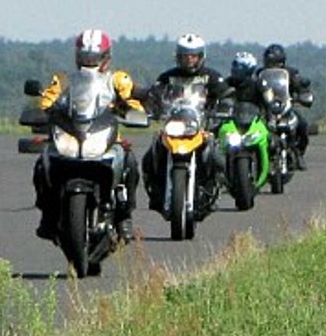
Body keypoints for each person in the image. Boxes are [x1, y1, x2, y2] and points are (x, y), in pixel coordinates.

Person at [32, 28, 144, 240]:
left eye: (94, 58)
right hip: (72, 133)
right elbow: (47, 101)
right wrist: (48, 111)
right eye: (85, 57)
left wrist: (128, 108)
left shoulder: (117, 79)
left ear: (106, 58)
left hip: (106, 137)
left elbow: (134, 103)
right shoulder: (64, 79)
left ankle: (124, 216)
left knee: (129, 161)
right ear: (77, 57)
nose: (89, 62)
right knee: (42, 164)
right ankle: (47, 215)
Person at [139, 32, 230, 210]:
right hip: (173, 126)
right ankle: (156, 193)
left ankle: (213, 190)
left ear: (201, 57)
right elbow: (154, 96)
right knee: (150, 157)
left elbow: (226, 94)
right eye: (185, 56)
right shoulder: (167, 77)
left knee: (217, 157)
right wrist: (150, 109)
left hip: (200, 127)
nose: (189, 60)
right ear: (178, 57)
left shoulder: (211, 77)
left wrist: (225, 107)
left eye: (193, 56)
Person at [253, 43, 313, 166]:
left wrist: (302, 93)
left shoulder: (290, 73)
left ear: (282, 62)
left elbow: (300, 86)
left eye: (275, 62)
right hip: (266, 109)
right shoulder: (260, 74)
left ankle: (299, 153)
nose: (272, 66)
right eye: (269, 62)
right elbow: (253, 87)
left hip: (286, 106)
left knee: (302, 125)